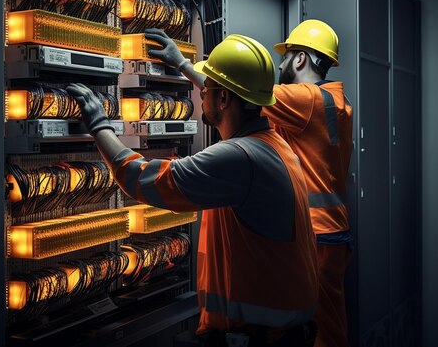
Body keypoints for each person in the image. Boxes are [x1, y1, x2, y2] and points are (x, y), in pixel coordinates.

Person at [66, 34, 318, 347]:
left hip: (258, 338)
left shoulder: (240, 158)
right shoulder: (273, 144)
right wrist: (184, 65)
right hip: (278, 332)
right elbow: (228, 92)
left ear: (223, 99)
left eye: (207, 89)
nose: (201, 96)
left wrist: (99, 123)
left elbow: (139, 177)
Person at [144, 20, 353, 347]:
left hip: (317, 232)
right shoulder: (335, 102)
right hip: (329, 230)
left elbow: (237, 92)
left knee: (322, 331)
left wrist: (183, 64)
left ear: (300, 60)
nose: (281, 65)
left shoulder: (306, 99)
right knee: (325, 323)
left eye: (286, 58)